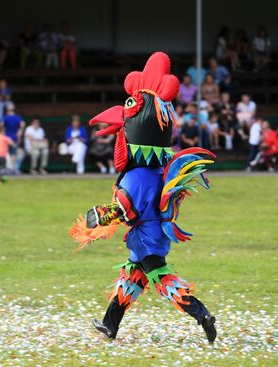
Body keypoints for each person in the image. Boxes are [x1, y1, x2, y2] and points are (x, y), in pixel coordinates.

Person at [68, 52, 216, 344]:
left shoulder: (136, 177)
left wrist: (98, 218)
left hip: (147, 239)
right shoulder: (156, 171)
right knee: (131, 279)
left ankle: (202, 314)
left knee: (163, 280)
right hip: (150, 235)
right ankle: (110, 325)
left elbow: (126, 210)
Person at [2, 104, 25, 174]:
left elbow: (1, 125)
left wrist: (2, 133)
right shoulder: (18, 117)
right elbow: (23, 124)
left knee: (6, 153)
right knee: (13, 153)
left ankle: (8, 168)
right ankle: (12, 168)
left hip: (6, 138)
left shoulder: (5, 117)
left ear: (7, 110)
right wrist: (20, 131)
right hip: (15, 137)